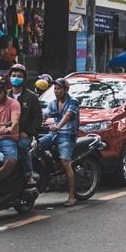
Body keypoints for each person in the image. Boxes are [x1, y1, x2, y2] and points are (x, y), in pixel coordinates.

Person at [42, 78, 79, 207]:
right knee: (37, 145)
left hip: (67, 136)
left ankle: (71, 196)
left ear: (65, 90)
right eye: (55, 89)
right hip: (54, 135)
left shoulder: (73, 102)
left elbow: (67, 116)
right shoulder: (53, 103)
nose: (56, 91)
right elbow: (45, 113)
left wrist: (58, 126)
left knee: (65, 162)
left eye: (59, 89)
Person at [7, 64, 42, 186]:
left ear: (24, 79)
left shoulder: (31, 97)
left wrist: (27, 132)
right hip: (7, 133)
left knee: (22, 147)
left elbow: (38, 118)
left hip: (24, 135)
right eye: (14, 76)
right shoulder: (5, 96)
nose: (16, 78)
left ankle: (29, 175)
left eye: (19, 76)